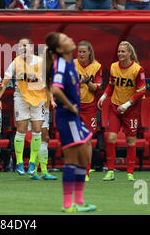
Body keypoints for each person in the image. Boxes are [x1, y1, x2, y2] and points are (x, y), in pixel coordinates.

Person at [45, 32, 97, 213]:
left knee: (84, 157)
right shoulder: (60, 65)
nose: (70, 39)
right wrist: (71, 106)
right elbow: (56, 90)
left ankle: (80, 200)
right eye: (65, 40)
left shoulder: (69, 64)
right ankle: (68, 204)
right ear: (59, 49)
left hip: (73, 117)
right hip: (67, 117)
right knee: (73, 159)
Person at [0, 38, 47, 177]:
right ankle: (19, 162)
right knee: (21, 129)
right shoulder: (16, 62)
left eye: (24, 45)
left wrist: (52, 99)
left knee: (37, 130)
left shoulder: (41, 62)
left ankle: (31, 163)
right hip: (21, 98)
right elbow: (6, 81)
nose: (21, 48)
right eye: (19, 46)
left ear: (31, 47)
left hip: (38, 99)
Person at [97, 41, 146, 181]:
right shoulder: (113, 66)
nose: (120, 54)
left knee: (130, 140)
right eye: (119, 51)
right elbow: (112, 84)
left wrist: (127, 104)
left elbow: (142, 89)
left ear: (130, 53)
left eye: (123, 51)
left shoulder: (138, 69)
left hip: (131, 109)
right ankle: (110, 170)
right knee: (110, 138)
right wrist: (104, 96)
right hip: (115, 107)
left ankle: (130, 172)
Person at [74, 41, 102, 181]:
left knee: (87, 140)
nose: (81, 54)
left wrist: (86, 82)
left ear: (90, 52)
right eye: (79, 52)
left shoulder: (96, 67)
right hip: (74, 106)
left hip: (89, 107)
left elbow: (97, 88)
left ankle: (86, 172)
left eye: (84, 52)